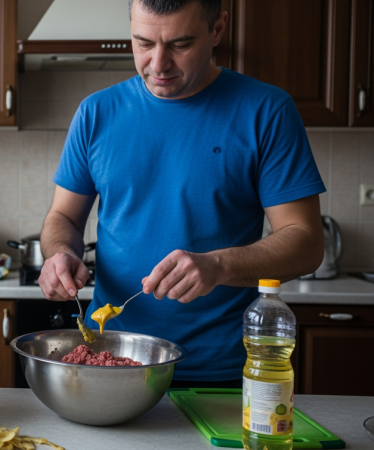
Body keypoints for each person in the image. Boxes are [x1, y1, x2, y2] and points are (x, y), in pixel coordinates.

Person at [38, 0, 325, 386]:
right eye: (143, 43)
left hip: (220, 373)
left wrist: (218, 265)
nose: (158, 64)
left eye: (180, 44)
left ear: (218, 29)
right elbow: (63, 218)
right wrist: (60, 254)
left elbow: (306, 243)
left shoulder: (267, 111)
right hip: (111, 361)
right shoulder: (96, 113)